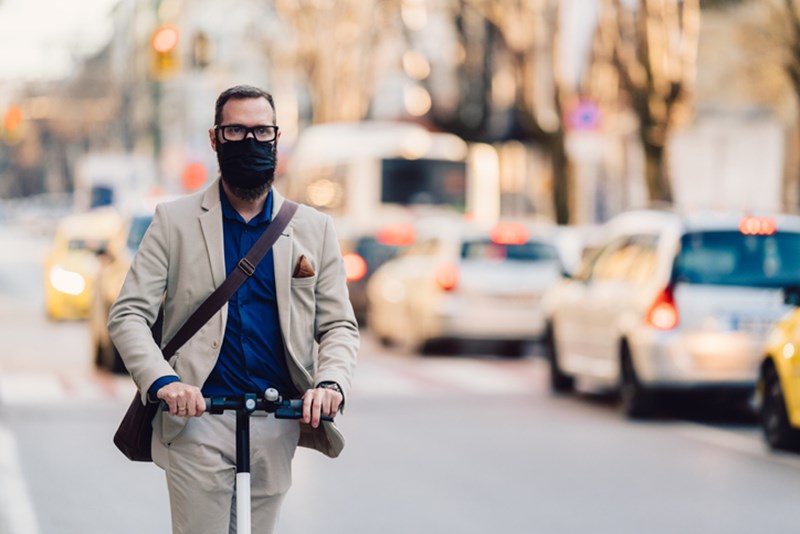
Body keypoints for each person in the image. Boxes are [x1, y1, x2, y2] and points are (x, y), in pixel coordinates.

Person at [108, 85, 359, 534]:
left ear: (277, 137)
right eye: (237, 130)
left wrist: (330, 383)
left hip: (277, 419)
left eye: (261, 131)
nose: (251, 142)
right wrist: (165, 383)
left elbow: (338, 323)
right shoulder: (175, 221)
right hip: (196, 416)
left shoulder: (313, 229)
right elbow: (127, 315)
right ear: (214, 138)